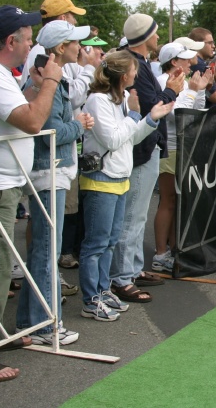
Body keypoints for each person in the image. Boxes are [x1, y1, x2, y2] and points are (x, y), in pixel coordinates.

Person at [0, 5, 63, 382]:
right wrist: (49, 82)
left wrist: (35, 85)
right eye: (28, 36)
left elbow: (19, 110)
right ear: (10, 41)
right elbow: (33, 121)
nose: (33, 42)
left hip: (1, 185)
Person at [15, 21, 94, 345]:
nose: (82, 48)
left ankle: (29, 321)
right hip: (49, 171)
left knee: (43, 250)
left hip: (53, 171)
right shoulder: (52, 78)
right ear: (61, 48)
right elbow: (47, 131)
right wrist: (78, 126)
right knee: (47, 251)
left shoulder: (55, 77)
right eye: (75, 42)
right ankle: (46, 326)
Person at [79, 50, 174, 319]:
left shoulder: (119, 101)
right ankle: (91, 298)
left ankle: (102, 289)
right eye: (133, 70)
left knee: (109, 242)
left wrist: (151, 118)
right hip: (102, 179)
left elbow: (128, 139)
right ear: (123, 75)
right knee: (96, 243)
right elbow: (111, 139)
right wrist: (134, 115)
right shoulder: (98, 100)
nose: (137, 74)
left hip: (119, 176)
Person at [111, 14, 184, 299]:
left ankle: (132, 268)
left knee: (138, 215)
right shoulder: (135, 65)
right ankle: (122, 276)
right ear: (145, 37)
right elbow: (149, 107)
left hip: (147, 145)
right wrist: (171, 91)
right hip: (141, 148)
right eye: (155, 32)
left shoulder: (140, 63)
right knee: (133, 215)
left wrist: (169, 89)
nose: (158, 37)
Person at [152, 43, 208, 274]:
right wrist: (194, 91)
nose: (190, 62)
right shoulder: (162, 81)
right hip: (169, 147)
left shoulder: (183, 82)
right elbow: (177, 115)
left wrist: (200, 90)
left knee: (178, 201)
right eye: (184, 59)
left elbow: (197, 110)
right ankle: (160, 254)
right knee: (168, 200)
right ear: (173, 62)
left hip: (183, 148)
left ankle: (173, 248)